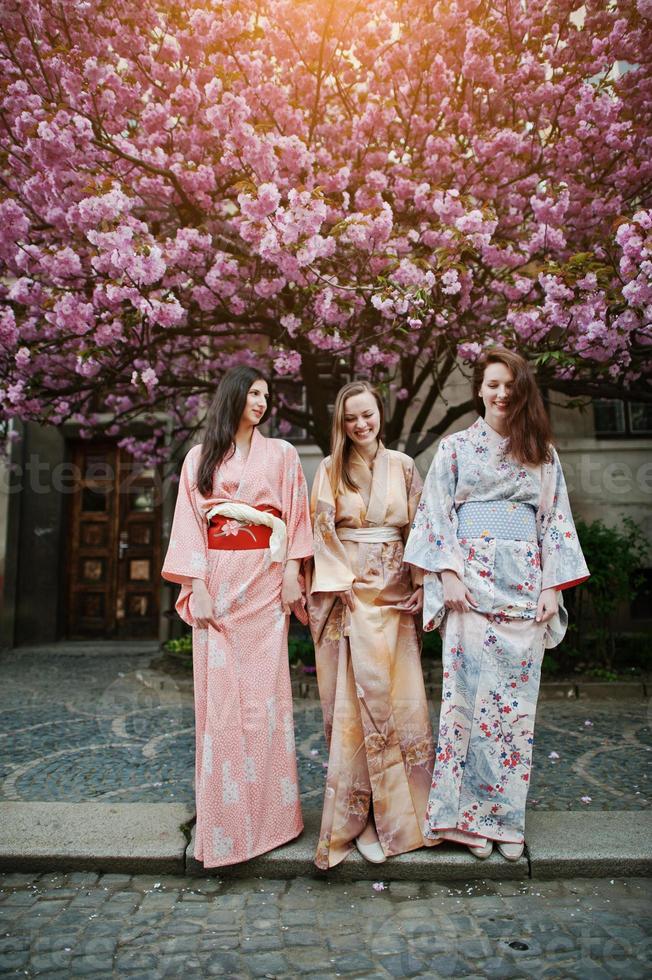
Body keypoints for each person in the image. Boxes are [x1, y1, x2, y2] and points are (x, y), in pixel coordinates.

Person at [404, 347, 589, 861]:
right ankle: (464, 823)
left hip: (525, 593)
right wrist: (447, 575)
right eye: (492, 384)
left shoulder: (543, 453)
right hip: (468, 593)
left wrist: (552, 586)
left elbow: (554, 521)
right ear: (479, 390)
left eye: (509, 385)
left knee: (512, 714)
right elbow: (435, 516)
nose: (501, 393)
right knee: (464, 709)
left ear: (521, 390)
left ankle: (506, 821)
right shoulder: (456, 449)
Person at [161, 366, 313, 868]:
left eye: (266, 395)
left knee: (265, 700)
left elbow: (295, 515)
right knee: (222, 702)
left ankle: (273, 819)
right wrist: (197, 586)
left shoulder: (283, 455)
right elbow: (189, 521)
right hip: (219, 581)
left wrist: (293, 572)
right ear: (233, 396)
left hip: (265, 583)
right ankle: (225, 822)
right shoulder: (199, 458)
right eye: (253, 393)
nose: (262, 402)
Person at [306, 380, 438, 868]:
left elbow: (423, 528)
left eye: (368, 415)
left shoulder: (403, 466)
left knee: (398, 705)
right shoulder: (329, 469)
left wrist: (423, 582)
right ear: (341, 423)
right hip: (348, 598)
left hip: (396, 596)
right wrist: (340, 582)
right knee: (353, 710)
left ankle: (398, 821)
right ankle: (355, 819)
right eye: (351, 418)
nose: (361, 424)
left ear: (381, 413)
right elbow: (321, 529)